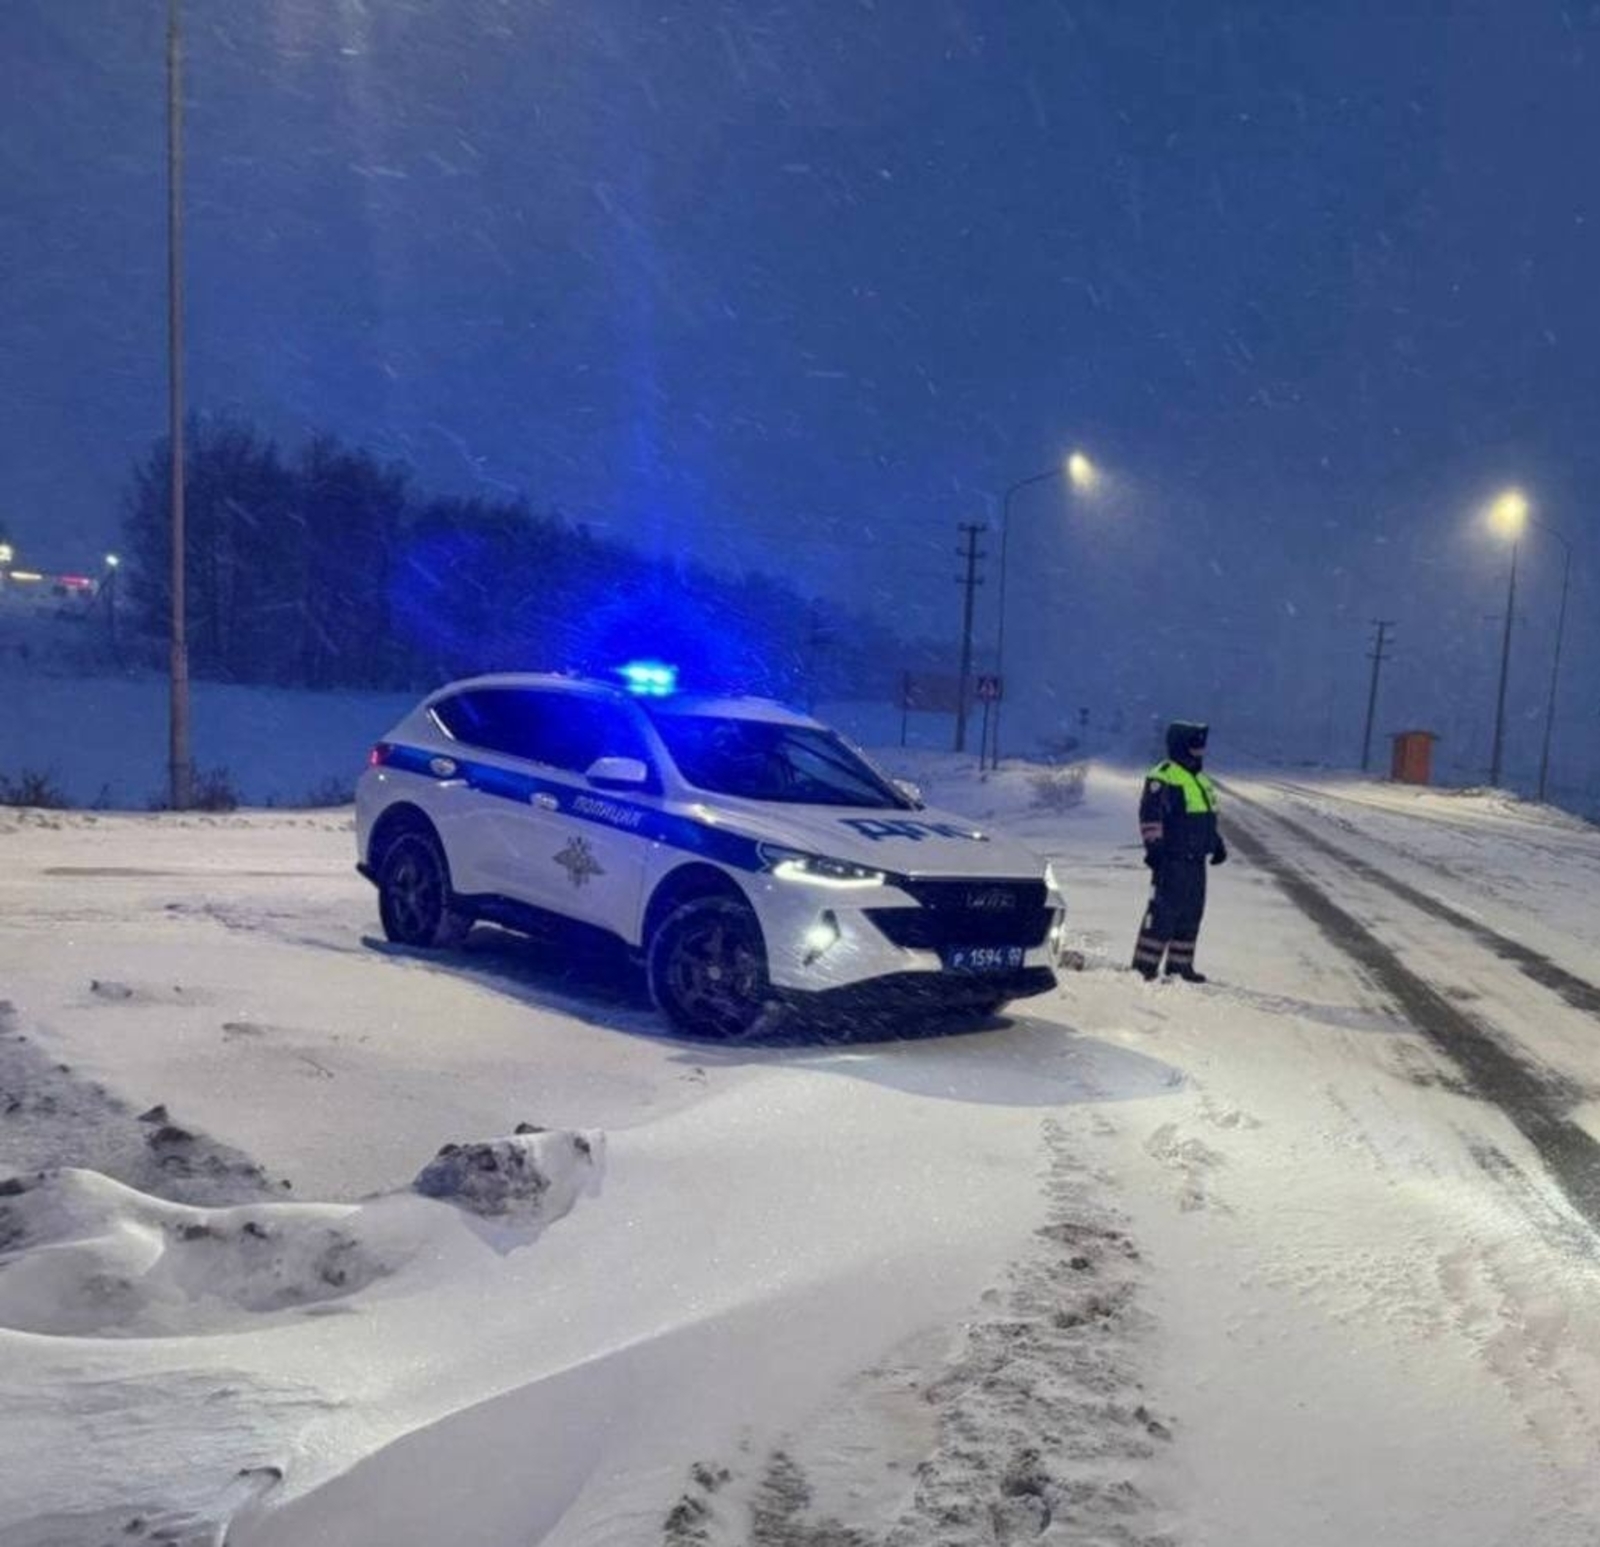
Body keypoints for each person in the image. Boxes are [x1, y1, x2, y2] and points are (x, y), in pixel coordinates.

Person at [1132, 720, 1227, 982]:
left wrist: (1215, 843)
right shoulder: (1163, 775)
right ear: (1181, 746)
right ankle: (1143, 968)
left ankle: (1180, 966)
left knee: (1190, 914)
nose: (1201, 752)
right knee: (1162, 914)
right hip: (1171, 860)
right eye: (1196, 746)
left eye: (1202, 746)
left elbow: (1205, 818)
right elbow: (1150, 816)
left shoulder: (1200, 780)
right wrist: (1155, 849)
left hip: (1196, 862)